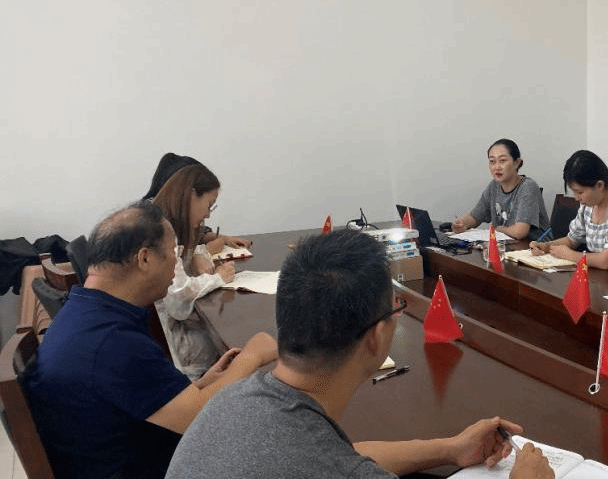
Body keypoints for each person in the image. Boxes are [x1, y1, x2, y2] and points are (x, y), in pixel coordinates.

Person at [165, 229, 555, 479]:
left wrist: (450, 448)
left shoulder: (232, 401)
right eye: (395, 309)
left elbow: (341, 455)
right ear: (376, 337)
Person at [25, 201, 277, 479]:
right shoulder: (113, 341)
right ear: (144, 259)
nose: (175, 265)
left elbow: (132, 391)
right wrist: (254, 355)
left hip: (121, 448)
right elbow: (199, 419)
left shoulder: (85, 310)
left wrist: (202, 384)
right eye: (172, 253)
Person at [152, 162, 239, 378]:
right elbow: (178, 298)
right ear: (191, 195)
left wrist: (200, 252)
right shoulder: (162, 232)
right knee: (229, 344)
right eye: (209, 205)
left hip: (166, 330)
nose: (208, 215)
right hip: (173, 342)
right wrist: (218, 278)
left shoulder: (160, 221)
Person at [530, 150, 608, 272]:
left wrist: (570, 255)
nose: (577, 198)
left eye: (580, 192)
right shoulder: (589, 205)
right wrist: (545, 246)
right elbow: (572, 240)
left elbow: (606, 261)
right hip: (601, 275)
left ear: (600, 186)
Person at [144, 152, 250, 251]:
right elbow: (169, 261)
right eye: (209, 205)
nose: (208, 215)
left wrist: (224, 239)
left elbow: (197, 234)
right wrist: (205, 252)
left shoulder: (173, 214)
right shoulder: (149, 223)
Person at [452, 139, 550, 240]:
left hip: (535, 247)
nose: (497, 167)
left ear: (517, 163)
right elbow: (475, 216)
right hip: (508, 245)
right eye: (492, 161)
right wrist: (462, 224)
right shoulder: (494, 186)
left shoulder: (528, 187)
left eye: (502, 160)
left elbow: (519, 232)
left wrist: (497, 229)